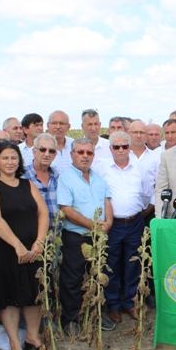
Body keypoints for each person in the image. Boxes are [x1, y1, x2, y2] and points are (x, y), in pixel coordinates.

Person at [0, 141, 50, 350]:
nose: (10, 162)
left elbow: (43, 212)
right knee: (8, 296)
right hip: (3, 250)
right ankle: (15, 345)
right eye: (5, 157)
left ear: (19, 160)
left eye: (14, 157)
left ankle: (33, 337)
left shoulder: (28, 184)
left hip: (32, 249)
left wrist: (40, 241)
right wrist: (18, 245)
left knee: (32, 293)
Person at [57, 138, 115, 335]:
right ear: (72, 155)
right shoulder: (66, 178)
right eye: (80, 152)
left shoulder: (98, 178)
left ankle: (95, 314)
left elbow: (107, 201)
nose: (85, 156)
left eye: (89, 153)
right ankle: (70, 320)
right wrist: (92, 226)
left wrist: (108, 223)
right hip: (76, 238)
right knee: (72, 280)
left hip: (98, 238)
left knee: (97, 276)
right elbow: (66, 209)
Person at [95, 132, 152, 322]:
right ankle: (113, 305)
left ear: (129, 148)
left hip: (135, 222)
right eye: (116, 147)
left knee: (133, 263)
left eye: (124, 146)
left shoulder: (139, 168)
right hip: (112, 225)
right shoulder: (101, 168)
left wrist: (137, 213)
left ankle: (130, 302)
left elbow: (146, 194)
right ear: (110, 148)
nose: (121, 150)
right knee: (111, 265)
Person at [23, 133, 60, 227]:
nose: (47, 154)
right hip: (31, 235)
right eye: (42, 149)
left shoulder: (58, 177)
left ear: (55, 155)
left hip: (56, 236)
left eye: (51, 151)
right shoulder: (22, 176)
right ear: (34, 151)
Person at [46, 110, 74, 175]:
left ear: (68, 127)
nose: (58, 126)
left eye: (62, 123)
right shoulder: (41, 148)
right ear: (48, 125)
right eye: (54, 123)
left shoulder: (75, 145)